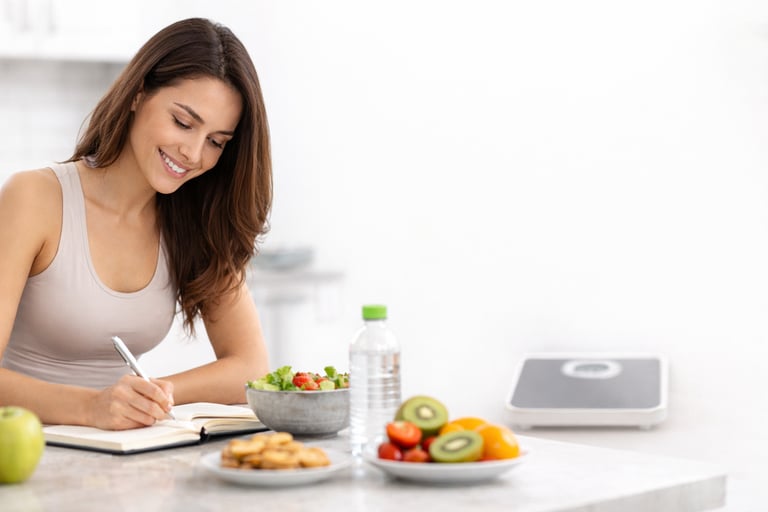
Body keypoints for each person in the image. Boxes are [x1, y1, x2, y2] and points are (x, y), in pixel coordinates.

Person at [0, 18, 272, 430]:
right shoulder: (34, 197)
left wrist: (151, 394)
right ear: (138, 94)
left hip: (115, 457)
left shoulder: (195, 219)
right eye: (183, 122)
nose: (194, 153)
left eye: (216, 141)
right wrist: (91, 408)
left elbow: (249, 366)